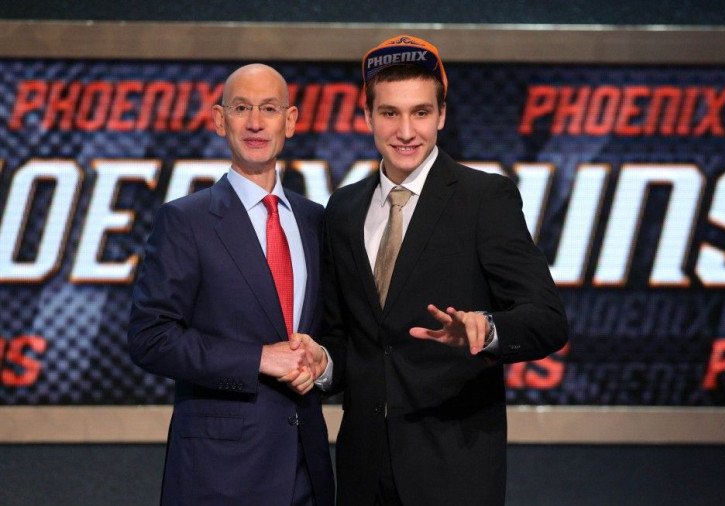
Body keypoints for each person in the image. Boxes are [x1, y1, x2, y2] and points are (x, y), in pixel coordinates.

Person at [309, 35, 569, 505]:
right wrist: (322, 364)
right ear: (367, 117)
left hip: (454, 468)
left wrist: (486, 330)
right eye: (390, 113)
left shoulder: (485, 199)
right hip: (361, 471)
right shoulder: (343, 209)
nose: (406, 131)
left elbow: (547, 320)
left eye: (421, 112)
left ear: (442, 115)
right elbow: (343, 335)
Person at [127, 64, 334, 506]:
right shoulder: (185, 220)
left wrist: (322, 361)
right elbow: (151, 338)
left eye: (269, 109)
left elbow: (333, 332)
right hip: (217, 476)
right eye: (242, 108)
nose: (256, 122)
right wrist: (259, 358)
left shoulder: (318, 221)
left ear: (291, 121)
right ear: (221, 120)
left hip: (307, 471)